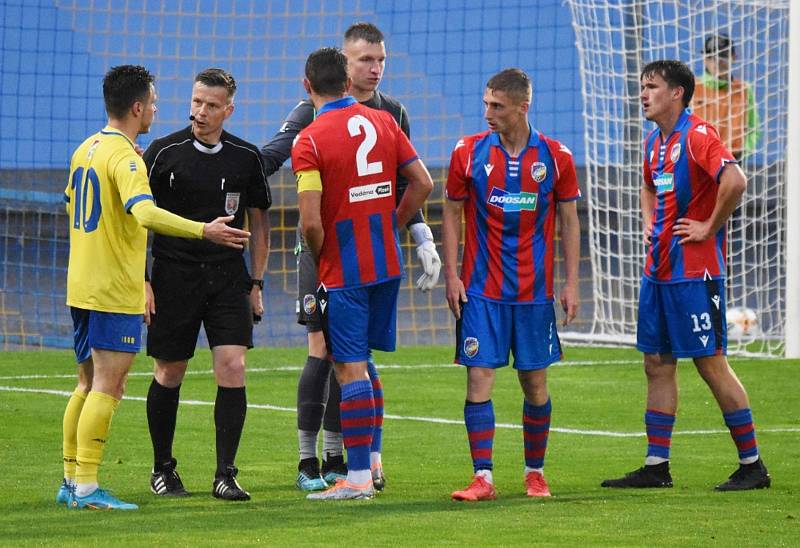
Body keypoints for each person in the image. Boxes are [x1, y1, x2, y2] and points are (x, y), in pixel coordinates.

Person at [58, 65, 250, 510]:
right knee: (109, 385)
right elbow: (144, 215)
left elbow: (71, 202)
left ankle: (71, 479)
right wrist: (204, 231)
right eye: (154, 102)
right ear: (138, 107)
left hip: (80, 283)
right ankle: (86, 488)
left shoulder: (86, 148)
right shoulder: (127, 158)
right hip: (111, 288)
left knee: (86, 384)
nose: (159, 110)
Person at [261, 22, 441, 492]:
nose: (374, 68)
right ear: (346, 68)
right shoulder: (372, 120)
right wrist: (395, 227)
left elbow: (311, 221)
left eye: (380, 60)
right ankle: (328, 461)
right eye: (365, 60)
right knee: (346, 357)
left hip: (338, 259)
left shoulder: (339, 125)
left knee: (349, 361)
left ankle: (354, 469)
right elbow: (420, 182)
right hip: (380, 258)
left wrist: (409, 229)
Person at [601, 60, 770, 491]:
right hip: (657, 272)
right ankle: (657, 467)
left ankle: (753, 465)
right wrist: (649, 221)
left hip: (696, 273)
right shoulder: (655, 143)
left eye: (651, 86)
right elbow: (648, 186)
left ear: (676, 93)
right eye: (642, 86)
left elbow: (735, 179)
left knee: (710, 363)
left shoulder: (698, 135)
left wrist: (709, 227)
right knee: (657, 364)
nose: (643, 94)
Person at [442, 68, 581, 501]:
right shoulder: (468, 152)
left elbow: (569, 220)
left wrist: (572, 282)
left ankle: (534, 473)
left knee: (534, 385)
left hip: (534, 296)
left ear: (523, 107)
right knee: (478, 379)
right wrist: (451, 273)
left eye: (497, 106)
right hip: (481, 292)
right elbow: (449, 210)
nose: (488, 112)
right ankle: (482, 477)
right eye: (486, 103)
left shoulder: (556, 157)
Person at [142, 68, 272, 501]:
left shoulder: (246, 158)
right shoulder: (162, 154)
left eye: (211, 105)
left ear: (228, 110)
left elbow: (260, 221)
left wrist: (256, 282)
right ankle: (163, 468)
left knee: (233, 367)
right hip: (172, 276)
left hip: (228, 278)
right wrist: (143, 281)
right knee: (170, 371)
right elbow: (139, 219)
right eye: (197, 101)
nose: (200, 111)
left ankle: (225, 474)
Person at [692, 34, 760, 160]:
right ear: (704, 59)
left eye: (722, 55)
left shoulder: (743, 90)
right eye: (712, 56)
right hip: (697, 163)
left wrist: (740, 152)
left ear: (733, 58)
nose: (717, 61)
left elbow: (754, 129)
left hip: (732, 163)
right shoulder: (692, 88)